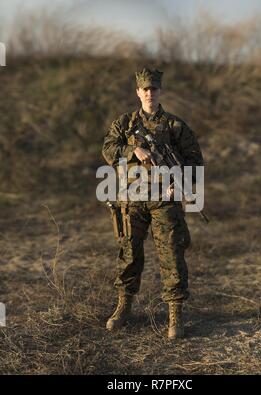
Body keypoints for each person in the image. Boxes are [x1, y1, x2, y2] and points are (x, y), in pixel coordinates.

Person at [102, 68, 204, 339]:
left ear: (160, 91)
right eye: (145, 89)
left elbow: (196, 163)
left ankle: (175, 314)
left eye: (154, 89)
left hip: (164, 200)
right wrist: (132, 150)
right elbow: (108, 150)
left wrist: (177, 182)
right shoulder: (124, 124)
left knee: (172, 254)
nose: (150, 93)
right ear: (138, 92)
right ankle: (123, 307)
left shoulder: (175, 126)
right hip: (131, 199)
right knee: (129, 253)